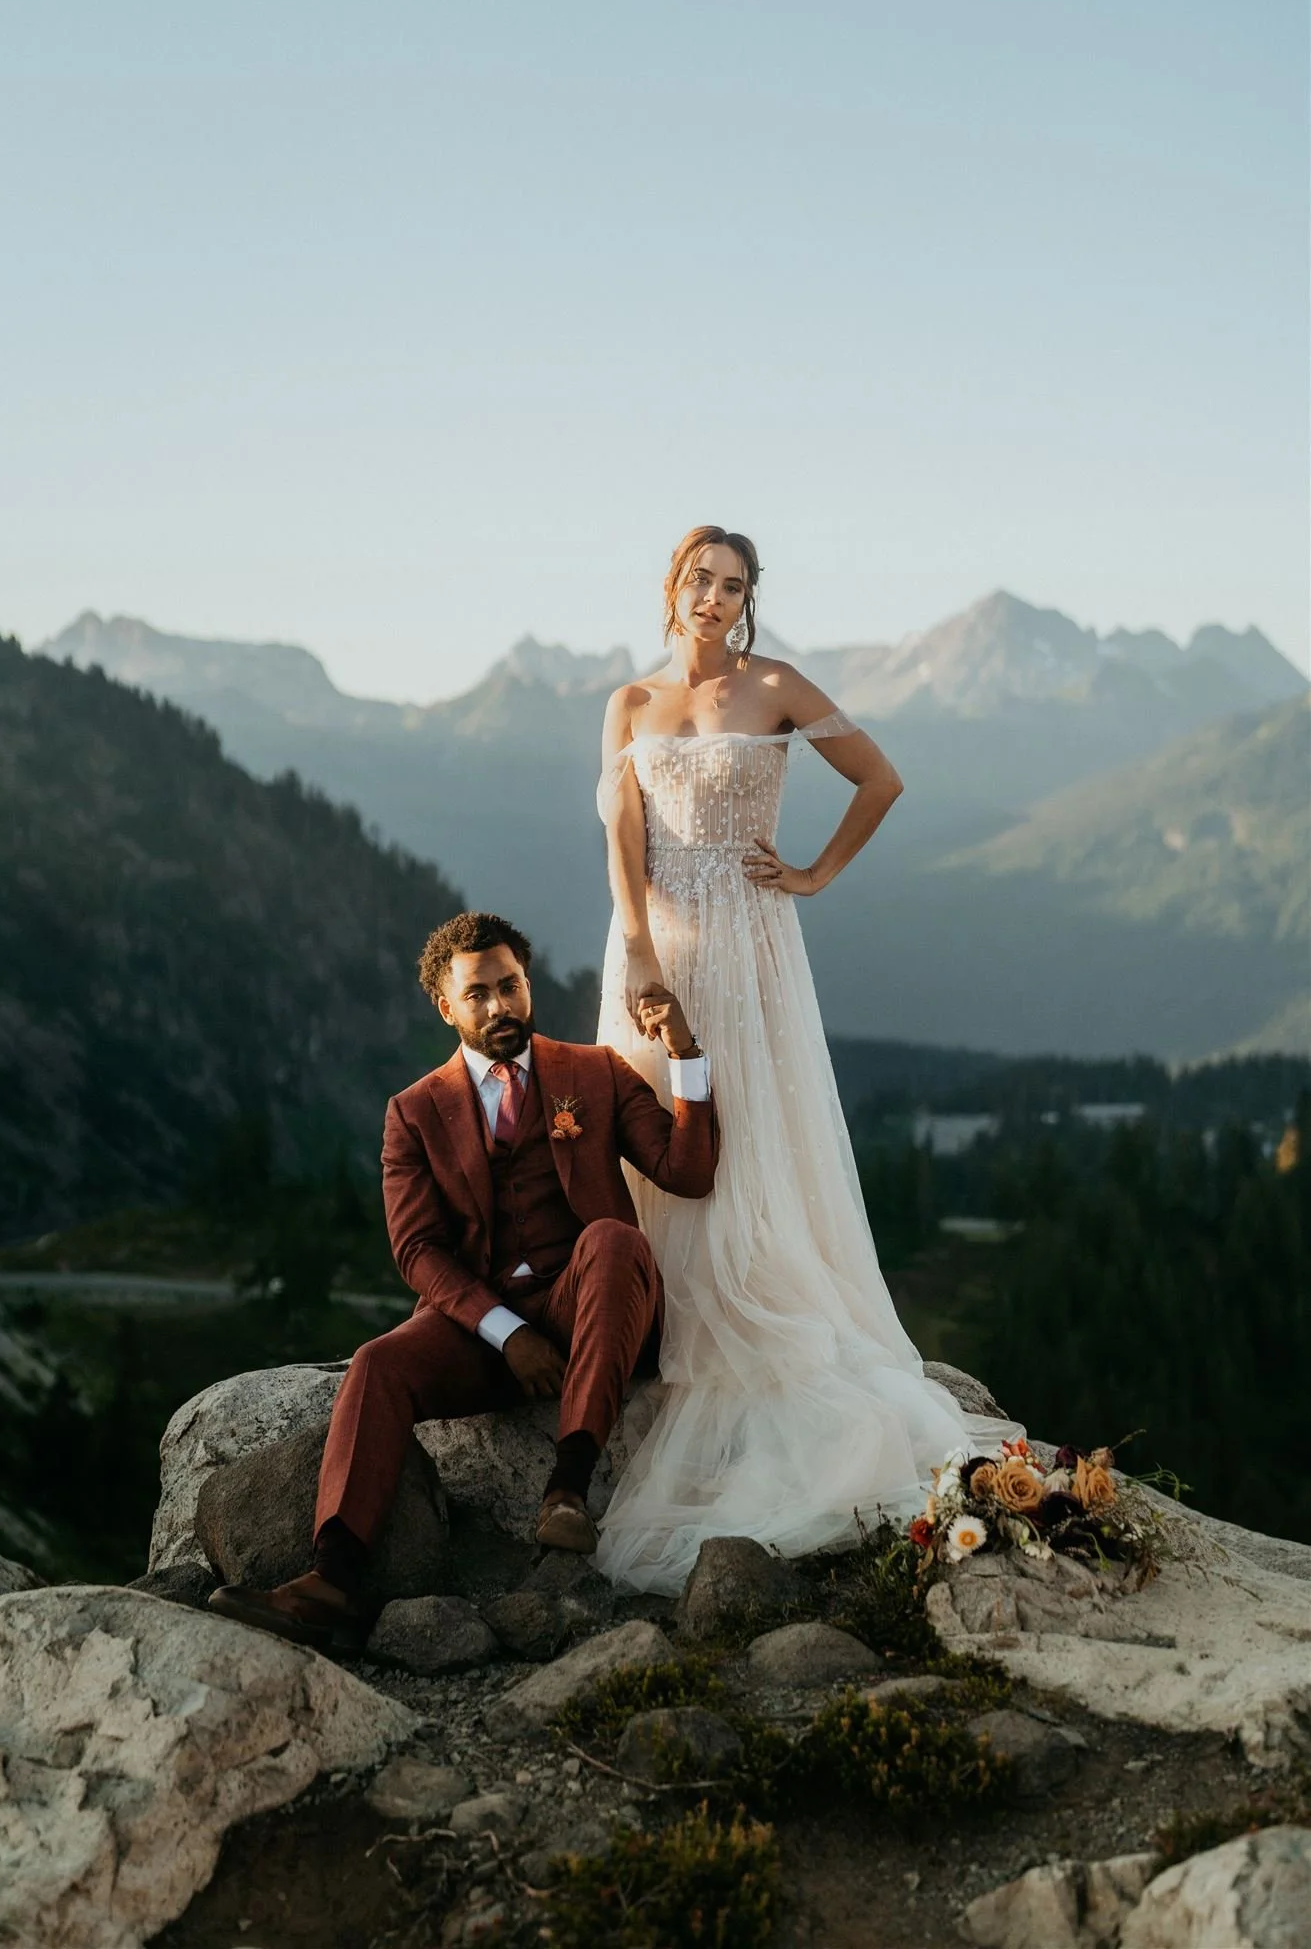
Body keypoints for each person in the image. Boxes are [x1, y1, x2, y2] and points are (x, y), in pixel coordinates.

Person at [594, 525, 1020, 1596]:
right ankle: (644, 1319)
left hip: (749, 937)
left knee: (746, 1128)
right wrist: (639, 947)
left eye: (733, 584)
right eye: (701, 578)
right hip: (656, 940)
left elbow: (878, 779)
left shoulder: (775, 682)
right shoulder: (628, 704)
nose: (715, 597)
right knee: (652, 1126)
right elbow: (621, 837)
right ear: (670, 585)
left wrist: (815, 873)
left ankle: (747, 1304)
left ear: (746, 599)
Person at [209, 909, 717, 1651]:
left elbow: (689, 1172)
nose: (500, 1005)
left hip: (592, 1309)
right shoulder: (412, 1113)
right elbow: (417, 1250)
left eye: (509, 986)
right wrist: (507, 1336)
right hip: (482, 1330)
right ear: (447, 1008)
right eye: (478, 994)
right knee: (378, 1363)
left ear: (527, 986)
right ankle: (332, 1582)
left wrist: (683, 1051)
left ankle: (567, 1489)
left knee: (613, 1238)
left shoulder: (595, 1072)